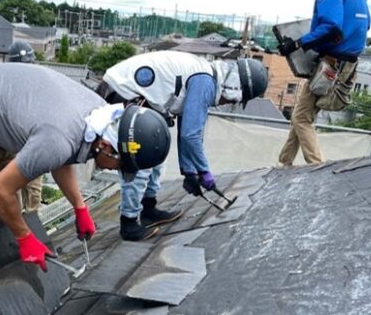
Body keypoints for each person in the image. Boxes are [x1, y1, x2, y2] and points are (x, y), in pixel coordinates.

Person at [0, 63, 170, 315]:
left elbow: (62, 157)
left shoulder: (100, 116)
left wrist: (79, 207)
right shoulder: (59, 136)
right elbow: (0, 189)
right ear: (108, 147)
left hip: (4, 119)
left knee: (10, 216)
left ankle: (20, 292)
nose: (114, 171)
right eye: (120, 166)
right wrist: (25, 238)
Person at [97, 51, 268, 240]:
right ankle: (128, 224)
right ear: (234, 88)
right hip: (122, 93)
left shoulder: (205, 76)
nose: (225, 102)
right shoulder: (205, 81)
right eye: (232, 100)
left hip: (139, 98)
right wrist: (203, 171)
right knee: (142, 160)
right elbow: (190, 135)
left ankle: (149, 209)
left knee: (156, 151)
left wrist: (189, 171)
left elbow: (186, 129)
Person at [277, 0, 370, 166]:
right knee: (302, 115)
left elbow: (331, 27)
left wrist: (298, 43)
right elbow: (366, 25)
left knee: (300, 118)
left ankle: (317, 167)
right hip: (347, 64)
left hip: (330, 64)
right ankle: (284, 162)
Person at [6, 40, 42, 212]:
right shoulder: (5, 85)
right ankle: (16, 226)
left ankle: (32, 223)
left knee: (34, 190)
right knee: (11, 187)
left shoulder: (38, 84)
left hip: (33, 142)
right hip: (10, 143)